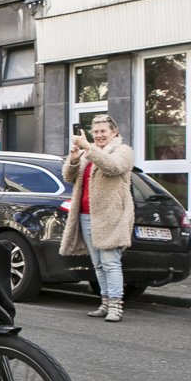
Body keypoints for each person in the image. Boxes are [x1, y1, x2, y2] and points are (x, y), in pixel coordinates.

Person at [59, 114, 135, 322]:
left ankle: (116, 306)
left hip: (110, 215)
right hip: (85, 215)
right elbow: (68, 177)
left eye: (103, 131)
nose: (99, 135)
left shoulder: (123, 151)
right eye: (96, 132)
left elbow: (113, 167)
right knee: (98, 263)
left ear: (114, 132)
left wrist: (88, 148)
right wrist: (74, 159)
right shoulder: (87, 153)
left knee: (110, 262)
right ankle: (104, 302)